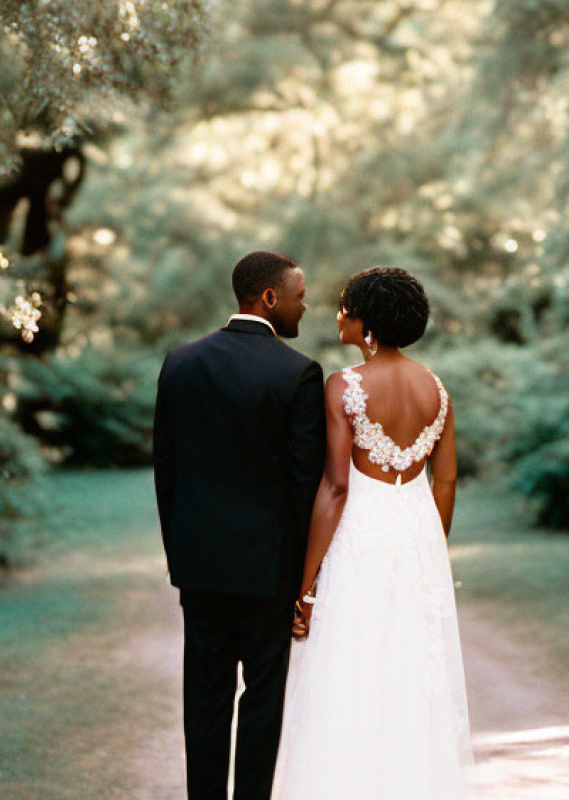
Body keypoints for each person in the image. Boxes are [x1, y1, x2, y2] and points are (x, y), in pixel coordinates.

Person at [272, 267, 473, 800]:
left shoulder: (344, 385)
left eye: (345, 306)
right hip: (418, 535)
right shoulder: (437, 389)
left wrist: (306, 585)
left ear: (366, 323)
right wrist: (433, 547)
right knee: (409, 676)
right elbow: (446, 479)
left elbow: (336, 487)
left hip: (361, 535)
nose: (337, 314)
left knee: (351, 671)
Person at [153, 251, 326, 800]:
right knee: (262, 701)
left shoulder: (179, 362)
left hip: (199, 568)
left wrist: (181, 556)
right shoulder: (298, 373)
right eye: (300, 295)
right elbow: (305, 485)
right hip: (267, 571)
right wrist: (305, 580)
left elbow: (167, 473)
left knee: (203, 702)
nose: (306, 305)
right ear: (270, 298)